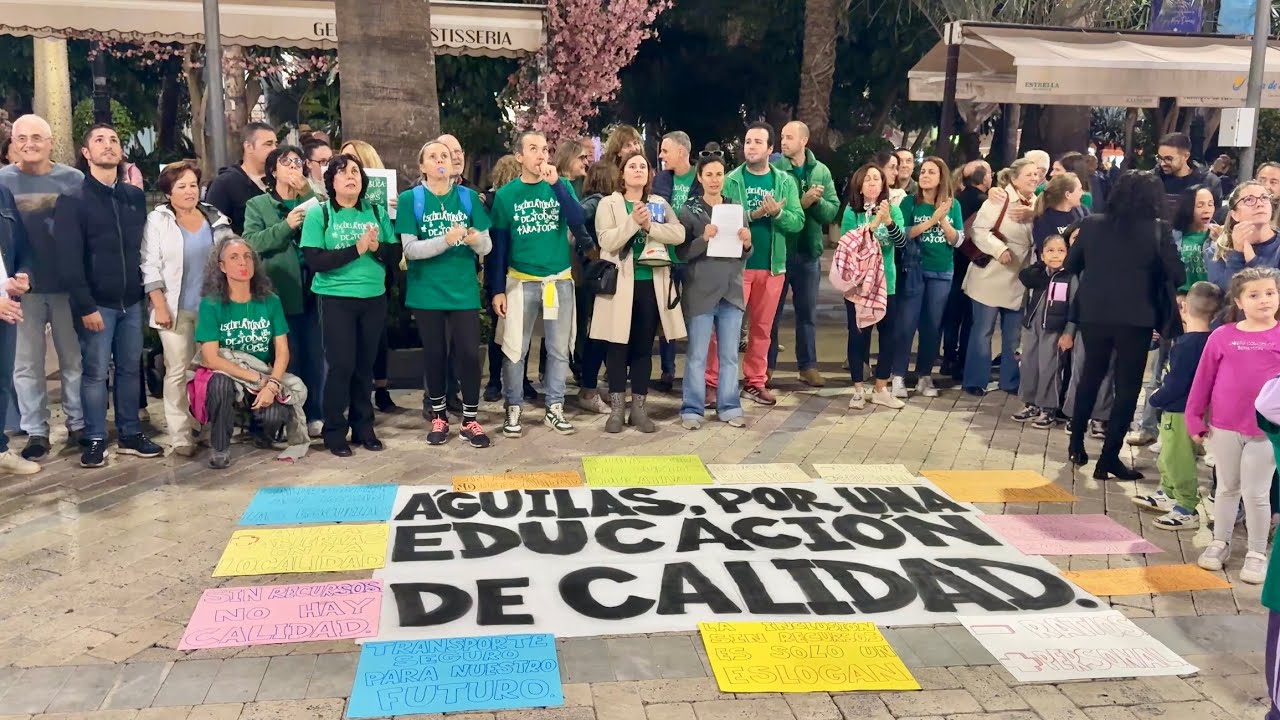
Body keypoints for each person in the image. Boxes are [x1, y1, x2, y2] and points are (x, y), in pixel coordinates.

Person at [54, 124, 164, 467]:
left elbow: (143, 250)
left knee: (130, 369)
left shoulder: (132, 197)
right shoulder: (73, 199)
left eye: (114, 140)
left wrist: (146, 292)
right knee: (95, 371)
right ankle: (96, 437)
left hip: (130, 301)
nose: (108, 146)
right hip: (96, 304)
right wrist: (86, 305)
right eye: (99, 140)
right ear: (86, 153)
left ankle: (131, 432)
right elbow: (69, 259)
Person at [1066, 171, 1185, 480]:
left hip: (1094, 312)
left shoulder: (1091, 224)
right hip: (1137, 316)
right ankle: (1108, 459)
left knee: (1090, 376)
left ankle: (1076, 444)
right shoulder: (1158, 230)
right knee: (1127, 387)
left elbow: (1071, 264)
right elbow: (1177, 274)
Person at [300, 154, 401, 456]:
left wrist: (377, 247)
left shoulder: (376, 211)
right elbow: (315, 260)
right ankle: (334, 431)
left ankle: (364, 427)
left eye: (355, 171)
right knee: (341, 365)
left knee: (364, 366)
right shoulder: (321, 214)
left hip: (372, 298)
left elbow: (394, 254)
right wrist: (356, 250)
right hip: (336, 299)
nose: (350, 177)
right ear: (330, 181)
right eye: (342, 172)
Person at [486, 131, 584, 438]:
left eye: (545, 149)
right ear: (520, 157)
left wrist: (557, 185)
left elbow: (578, 219)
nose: (541, 154)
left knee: (557, 348)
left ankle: (554, 407)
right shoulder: (505, 196)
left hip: (558, 281)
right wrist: (497, 289)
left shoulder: (561, 186)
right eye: (533, 149)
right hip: (521, 281)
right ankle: (513, 406)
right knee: (515, 348)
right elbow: (498, 247)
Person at [396, 140, 492, 448]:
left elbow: (486, 245)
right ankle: (438, 415)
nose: (441, 160)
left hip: (462, 290)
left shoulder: (467, 198)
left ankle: (470, 419)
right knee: (435, 354)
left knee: (468, 353)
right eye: (434, 156)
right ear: (422, 166)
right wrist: (446, 240)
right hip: (427, 291)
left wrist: (475, 240)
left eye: (446, 156)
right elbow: (410, 249)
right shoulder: (411, 199)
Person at [0, 115, 85, 460]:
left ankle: (78, 424)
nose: (30, 144)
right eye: (22, 138)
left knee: (73, 360)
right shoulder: (2, 182)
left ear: (51, 142)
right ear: (12, 144)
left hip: (68, 286)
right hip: (21, 291)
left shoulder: (74, 179)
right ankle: (36, 430)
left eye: (37, 137)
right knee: (26, 364)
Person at [1188, 268, 1280, 583]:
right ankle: (1219, 542)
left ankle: (1256, 553)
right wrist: (1194, 417)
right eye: (1254, 294)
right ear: (1239, 301)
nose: (1264, 300)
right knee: (1227, 488)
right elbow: (1203, 381)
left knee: (1257, 493)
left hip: (1265, 433)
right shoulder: (1222, 336)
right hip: (1224, 427)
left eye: (1270, 292)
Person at [704, 122, 803, 406]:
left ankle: (755, 382)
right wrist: (756, 214)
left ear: (771, 149)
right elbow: (719, 216)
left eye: (758, 142)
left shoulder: (785, 181)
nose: (751, 147)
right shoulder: (732, 179)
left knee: (762, 329)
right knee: (723, 327)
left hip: (773, 268)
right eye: (748, 141)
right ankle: (712, 383)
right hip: (737, 267)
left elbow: (797, 221)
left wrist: (779, 214)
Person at [141, 160, 232, 458]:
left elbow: (232, 255)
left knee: (205, 370)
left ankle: (204, 427)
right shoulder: (158, 221)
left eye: (193, 184)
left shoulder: (215, 218)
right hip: (173, 309)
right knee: (178, 371)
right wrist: (159, 305)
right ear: (169, 192)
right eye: (182, 186)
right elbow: (149, 265)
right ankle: (180, 434)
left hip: (210, 308)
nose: (189, 191)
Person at [592, 150, 685, 433]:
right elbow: (607, 240)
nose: (638, 170)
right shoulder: (609, 204)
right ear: (622, 173)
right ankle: (617, 411)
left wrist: (650, 226)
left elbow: (678, 233)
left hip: (651, 283)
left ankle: (640, 410)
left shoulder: (658, 203)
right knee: (617, 346)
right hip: (620, 285)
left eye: (643, 166)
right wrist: (634, 222)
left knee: (644, 348)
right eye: (632, 166)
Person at [193, 236, 298, 469]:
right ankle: (220, 447)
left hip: (261, 373)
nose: (243, 263)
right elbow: (210, 358)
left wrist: (272, 384)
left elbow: (282, 352)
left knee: (274, 417)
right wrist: (256, 379)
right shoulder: (211, 304)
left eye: (247, 257)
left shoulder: (270, 301)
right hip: (229, 373)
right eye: (234, 258)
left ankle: (257, 428)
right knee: (219, 383)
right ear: (221, 267)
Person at [243, 145, 324, 437]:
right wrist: (285, 225)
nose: (292, 167)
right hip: (279, 291)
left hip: (314, 289)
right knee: (286, 355)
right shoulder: (258, 205)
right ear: (273, 171)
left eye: (297, 162)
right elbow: (251, 242)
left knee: (315, 355)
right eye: (285, 162)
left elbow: (328, 226)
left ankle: (316, 413)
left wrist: (308, 193)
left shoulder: (313, 199)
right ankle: (287, 415)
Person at [1128, 185, 1218, 448]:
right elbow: (1162, 270)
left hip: (1207, 316)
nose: (1206, 210)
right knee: (1161, 369)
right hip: (1174, 312)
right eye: (1200, 204)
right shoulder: (1173, 234)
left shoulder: (1217, 237)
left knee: (1200, 374)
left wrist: (1222, 240)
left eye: (1210, 204)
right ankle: (1148, 426)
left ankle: (1196, 435)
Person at [1133, 281, 1223, 530]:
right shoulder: (1210, 340)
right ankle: (1168, 493)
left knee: (1178, 459)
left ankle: (1186, 507)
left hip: (1179, 410)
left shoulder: (1186, 344)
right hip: (1191, 410)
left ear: (1183, 307)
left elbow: (1177, 383)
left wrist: (1155, 399)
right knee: (1169, 455)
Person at [677, 144, 752, 428]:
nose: (714, 179)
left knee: (729, 355)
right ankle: (692, 408)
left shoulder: (735, 208)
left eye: (719, 174)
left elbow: (745, 252)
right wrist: (703, 240)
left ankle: (729, 405)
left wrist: (747, 242)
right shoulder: (689, 210)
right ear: (699, 177)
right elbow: (682, 253)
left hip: (731, 291)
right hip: (700, 291)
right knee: (697, 354)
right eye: (709, 174)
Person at [768, 121, 839, 389]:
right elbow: (775, 204)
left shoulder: (820, 171)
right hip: (780, 251)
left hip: (808, 253)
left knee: (807, 314)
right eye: (782, 137)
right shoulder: (776, 170)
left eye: (789, 137)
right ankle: (767, 368)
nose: (783, 142)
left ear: (804, 141)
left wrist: (818, 202)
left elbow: (833, 210)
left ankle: (808, 366)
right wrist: (803, 200)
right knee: (771, 314)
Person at [962, 158, 1038, 397]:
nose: (1035, 179)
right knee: (982, 331)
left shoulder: (1037, 203)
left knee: (1013, 335)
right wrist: (999, 249)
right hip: (990, 276)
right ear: (1014, 179)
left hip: (1019, 279)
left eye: (1037, 175)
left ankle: (1010, 381)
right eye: (1029, 175)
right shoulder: (999, 198)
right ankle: (975, 380)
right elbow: (978, 230)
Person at [339, 140, 402, 414]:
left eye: (353, 160)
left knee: (378, 336)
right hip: (345, 274)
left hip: (378, 271)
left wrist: (398, 210)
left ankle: (381, 389)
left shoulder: (382, 195)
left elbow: (395, 241)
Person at [838, 162, 905, 410]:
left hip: (886, 284)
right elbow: (848, 245)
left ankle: (880, 388)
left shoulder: (893, 210)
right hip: (857, 285)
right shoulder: (851, 212)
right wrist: (874, 223)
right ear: (859, 184)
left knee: (889, 336)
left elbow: (900, 242)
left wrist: (887, 221)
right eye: (867, 179)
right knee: (858, 336)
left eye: (877, 179)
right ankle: (857, 390)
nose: (873, 183)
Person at [897, 156, 963, 398]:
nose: (924, 175)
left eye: (931, 172)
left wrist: (943, 219)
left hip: (942, 271)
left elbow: (957, 240)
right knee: (906, 324)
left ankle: (924, 375)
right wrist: (932, 221)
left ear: (941, 177)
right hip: (914, 269)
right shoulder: (909, 203)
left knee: (932, 326)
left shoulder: (952, 205)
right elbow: (903, 235)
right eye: (922, 171)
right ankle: (898, 376)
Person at [480, 155, 534, 404]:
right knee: (511, 331)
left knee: (501, 331)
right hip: (508, 271)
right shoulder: (495, 201)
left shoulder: (488, 201)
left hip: (499, 271)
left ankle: (496, 382)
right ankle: (507, 381)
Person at [653, 131, 700, 391]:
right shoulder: (661, 178)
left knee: (695, 315)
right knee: (667, 316)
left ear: (682, 152)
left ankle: (695, 369)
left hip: (692, 257)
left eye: (665, 150)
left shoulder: (701, 177)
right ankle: (668, 371)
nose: (661, 155)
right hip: (666, 258)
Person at [1012, 235, 1074, 429]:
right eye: (1050, 251)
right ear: (1042, 254)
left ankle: (1048, 408)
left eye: (1061, 251)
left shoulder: (1070, 277)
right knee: (1029, 364)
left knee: (1049, 367)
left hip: (1055, 330)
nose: (1055, 255)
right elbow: (1025, 278)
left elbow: (1074, 307)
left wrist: (1069, 332)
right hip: (1033, 326)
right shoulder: (1039, 274)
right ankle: (1030, 403)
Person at [0, 182, 38, 474]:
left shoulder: (2, 192)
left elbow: (22, 245)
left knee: (2, 379)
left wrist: (23, 275)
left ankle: (0, 450)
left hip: (6, 303)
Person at [942, 160, 991, 380]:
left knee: (952, 316)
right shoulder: (985, 203)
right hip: (974, 263)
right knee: (970, 317)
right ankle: (963, 361)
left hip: (954, 261)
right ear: (983, 179)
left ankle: (948, 359)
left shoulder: (956, 200)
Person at [575, 162, 616, 414]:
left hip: (598, 275)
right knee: (597, 334)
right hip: (597, 276)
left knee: (601, 333)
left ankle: (591, 386)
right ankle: (588, 389)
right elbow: (576, 218)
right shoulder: (597, 201)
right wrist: (591, 247)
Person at [1206, 181, 1280, 291]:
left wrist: (1252, 259)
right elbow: (1226, 295)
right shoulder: (1217, 250)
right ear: (1234, 214)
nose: (1260, 204)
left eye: (1264, 197)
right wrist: (1237, 254)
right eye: (1249, 200)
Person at [206, 122, 276, 233]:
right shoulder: (225, 183)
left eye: (275, 144)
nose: (274, 149)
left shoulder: (278, 179)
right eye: (268, 144)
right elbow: (215, 227)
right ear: (248, 147)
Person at [1157, 132, 1221, 217]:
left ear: (1186, 156)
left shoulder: (1209, 182)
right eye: (1160, 158)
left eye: (1168, 159)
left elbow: (1214, 217)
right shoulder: (1153, 178)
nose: (1162, 164)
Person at [1031, 173, 1085, 254]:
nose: (1083, 193)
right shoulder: (1044, 220)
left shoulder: (1082, 211)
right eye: (1080, 189)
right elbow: (1046, 253)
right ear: (1067, 195)